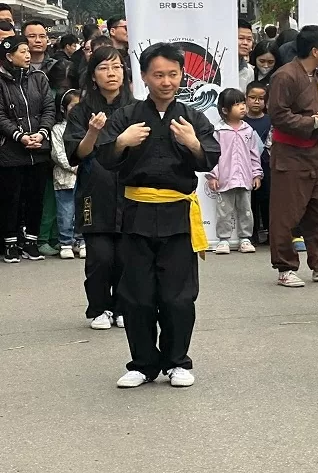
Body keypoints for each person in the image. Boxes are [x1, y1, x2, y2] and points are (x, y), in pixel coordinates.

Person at [95, 42, 221, 388]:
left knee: (178, 295)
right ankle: (142, 363)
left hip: (177, 214)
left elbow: (210, 157)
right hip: (136, 212)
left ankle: (177, 361)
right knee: (137, 294)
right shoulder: (127, 116)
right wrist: (121, 141)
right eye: (158, 75)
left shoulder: (192, 117)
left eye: (173, 74)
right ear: (145, 78)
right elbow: (105, 157)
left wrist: (193, 143)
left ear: (182, 76)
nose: (166, 81)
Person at [64, 45, 135, 330]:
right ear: (93, 75)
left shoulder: (136, 107)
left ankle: (121, 306)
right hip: (96, 189)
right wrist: (93, 131)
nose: (111, 73)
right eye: (104, 68)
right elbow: (77, 154)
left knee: (126, 256)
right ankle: (99, 308)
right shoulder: (82, 111)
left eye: (116, 67)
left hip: (130, 190)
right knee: (100, 257)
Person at [267, 25, 318, 287]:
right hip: (289, 155)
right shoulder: (285, 76)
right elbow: (278, 116)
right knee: (286, 214)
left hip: (314, 152)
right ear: (315, 50)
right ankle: (285, 268)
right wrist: (312, 122)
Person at [0, 35, 55, 263]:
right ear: (9, 56)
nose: (27, 54)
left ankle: (32, 242)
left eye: (27, 51)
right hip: (11, 151)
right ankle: (11, 243)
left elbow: (48, 108)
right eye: (22, 51)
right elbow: (1, 115)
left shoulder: (39, 77)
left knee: (36, 197)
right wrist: (20, 136)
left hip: (39, 149)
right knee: (11, 199)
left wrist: (41, 134)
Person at [207, 88, 262, 255]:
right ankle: (223, 239)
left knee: (246, 209)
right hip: (225, 178)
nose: (243, 107)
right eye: (237, 105)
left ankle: (245, 238)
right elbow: (212, 154)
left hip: (245, 178)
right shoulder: (217, 131)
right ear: (225, 110)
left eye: (243, 103)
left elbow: (254, 153)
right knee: (224, 210)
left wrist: (257, 173)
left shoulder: (248, 130)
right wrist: (213, 175)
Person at [50, 89, 85, 260]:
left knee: (83, 211)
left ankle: (81, 240)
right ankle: (65, 242)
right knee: (66, 212)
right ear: (63, 109)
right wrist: (75, 166)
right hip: (65, 179)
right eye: (73, 106)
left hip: (85, 178)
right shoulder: (57, 129)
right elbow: (58, 154)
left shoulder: (85, 126)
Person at [244, 81, 271, 244]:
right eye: (252, 97)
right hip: (247, 167)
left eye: (261, 98)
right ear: (245, 99)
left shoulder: (270, 120)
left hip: (267, 166)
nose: (256, 101)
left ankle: (270, 233)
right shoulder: (241, 120)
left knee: (268, 199)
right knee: (250, 201)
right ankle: (251, 233)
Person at [237, 20, 255, 91]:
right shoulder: (215, 67)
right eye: (241, 38)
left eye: (249, 39)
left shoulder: (249, 71)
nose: (245, 43)